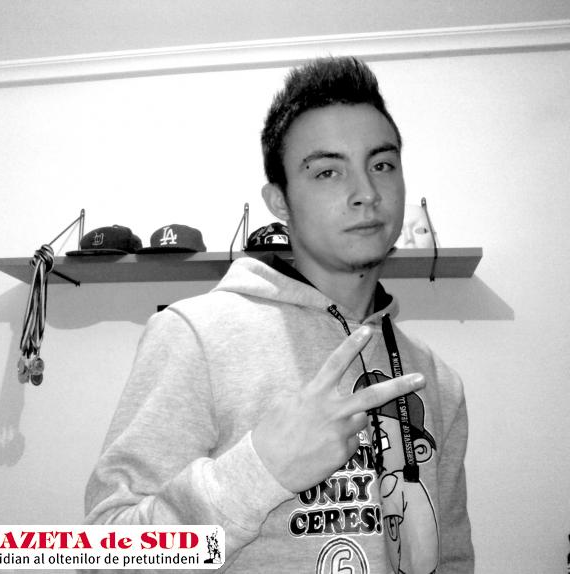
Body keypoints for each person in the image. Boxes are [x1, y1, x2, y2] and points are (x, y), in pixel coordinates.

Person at [85, 56, 474, 573]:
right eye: (328, 171)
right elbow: (103, 555)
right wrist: (262, 469)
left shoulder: (436, 379)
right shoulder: (195, 336)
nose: (366, 193)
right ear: (280, 202)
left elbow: (452, 557)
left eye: (382, 165)